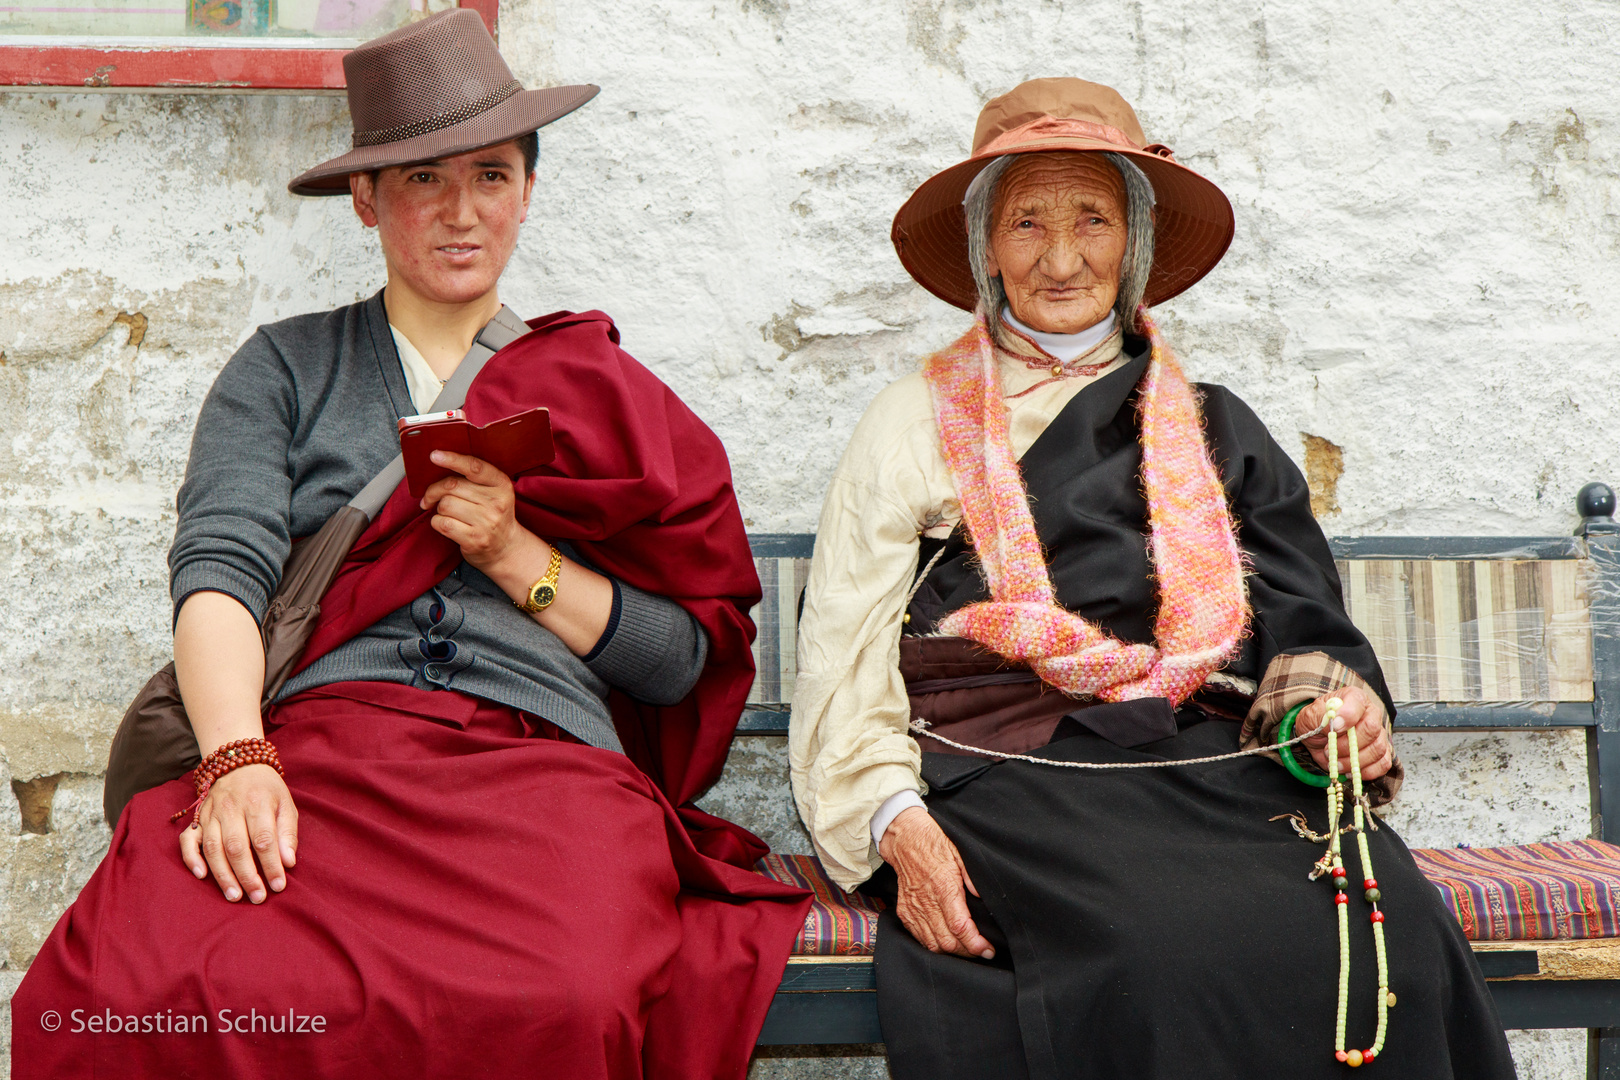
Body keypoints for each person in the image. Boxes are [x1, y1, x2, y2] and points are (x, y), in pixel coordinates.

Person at [13, 12, 807, 1079]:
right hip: (319, 753)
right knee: (129, 986)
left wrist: (517, 556)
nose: (460, 211)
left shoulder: (608, 397)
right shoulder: (284, 371)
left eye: (490, 175)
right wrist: (238, 760)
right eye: (423, 179)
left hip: (545, 770)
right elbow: (221, 578)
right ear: (366, 199)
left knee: (566, 993)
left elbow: (674, 662)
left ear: (527, 188)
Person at [790, 77, 1516, 1079]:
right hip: (1012, 769)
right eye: (1025, 221)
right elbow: (846, 647)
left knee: (1392, 939)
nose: (1058, 257)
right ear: (983, 249)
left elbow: (1303, 621)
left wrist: (1329, 706)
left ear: (1133, 239)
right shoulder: (911, 423)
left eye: (1091, 217)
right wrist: (892, 821)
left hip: (1212, 764)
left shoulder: (1215, 427)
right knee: (1158, 951)